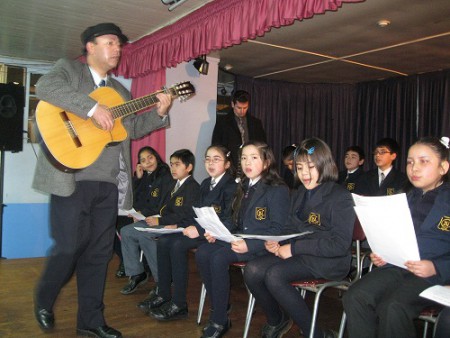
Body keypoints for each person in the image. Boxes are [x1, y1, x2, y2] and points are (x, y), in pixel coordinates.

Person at [32, 23, 172, 338]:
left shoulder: (121, 92)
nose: (117, 48)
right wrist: (93, 108)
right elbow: (45, 88)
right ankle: (44, 297)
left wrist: (160, 113)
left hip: (108, 183)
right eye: (110, 42)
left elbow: (131, 130)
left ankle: (90, 322)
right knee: (68, 247)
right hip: (72, 176)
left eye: (119, 44)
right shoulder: (68, 70)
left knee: (98, 254)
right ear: (91, 46)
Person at [243, 137, 356, 338]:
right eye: (300, 167)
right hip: (300, 253)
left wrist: (294, 248)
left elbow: (339, 245)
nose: (304, 173)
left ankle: (315, 333)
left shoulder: (340, 197)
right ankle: (277, 319)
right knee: (252, 270)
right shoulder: (300, 193)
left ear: (325, 165)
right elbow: (289, 226)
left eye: (311, 167)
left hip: (328, 260)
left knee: (275, 275)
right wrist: (278, 242)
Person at [342, 136, 450, 338]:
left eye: (423, 161)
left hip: (433, 276)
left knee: (392, 307)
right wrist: (382, 253)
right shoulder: (404, 197)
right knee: (355, 295)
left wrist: (436, 266)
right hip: (398, 267)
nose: (414, 168)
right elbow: (392, 235)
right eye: (410, 162)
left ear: (443, 167)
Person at [195, 140, 290, 338]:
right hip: (240, 239)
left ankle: (220, 320)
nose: (248, 162)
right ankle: (219, 308)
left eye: (254, 157)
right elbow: (234, 220)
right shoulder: (244, 185)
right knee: (203, 251)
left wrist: (250, 245)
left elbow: (278, 229)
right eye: (244, 158)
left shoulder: (277, 189)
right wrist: (217, 231)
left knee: (218, 258)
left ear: (266, 162)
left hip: (263, 246)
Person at [146, 145, 237, 320]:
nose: (210, 163)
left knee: (178, 245)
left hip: (217, 235)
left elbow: (227, 218)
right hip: (202, 231)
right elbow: (194, 213)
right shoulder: (205, 184)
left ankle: (179, 304)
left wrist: (199, 230)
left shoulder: (230, 186)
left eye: (216, 159)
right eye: (207, 159)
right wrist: (181, 225)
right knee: (164, 241)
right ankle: (164, 293)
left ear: (227, 164)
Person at [120, 149, 200, 299]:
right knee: (126, 231)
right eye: (171, 165)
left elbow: (185, 215)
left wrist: (160, 220)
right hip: (163, 221)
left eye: (177, 164)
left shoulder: (192, 187)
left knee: (145, 236)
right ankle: (137, 273)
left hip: (177, 226)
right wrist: (148, 215)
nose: (173, 168)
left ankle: (161, 280)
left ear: (189, 167)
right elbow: (161, 207)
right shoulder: (174, 184)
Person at [114, 146, 173, 278]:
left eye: (150, 157)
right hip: (141, 215)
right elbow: (133, 199)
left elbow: (159, 204)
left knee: (126, 229)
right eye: (143, 160)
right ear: (140, 164)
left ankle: (137, 267)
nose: (148, 162)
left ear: (156, 157)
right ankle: (133, 268)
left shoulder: (164, 175)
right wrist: (138, 178)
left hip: (157, 217)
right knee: (112, 223)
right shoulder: (146, 176)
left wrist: (141, 214)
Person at [211, 90, 266, 168]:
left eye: (245, 108)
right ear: (233, 104)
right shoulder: (222, 122)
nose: (242, 111)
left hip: (252, 165)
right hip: (230, 166)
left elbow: (263, 145)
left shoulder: (256, 123)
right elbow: (216, 146)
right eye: (239, 108)